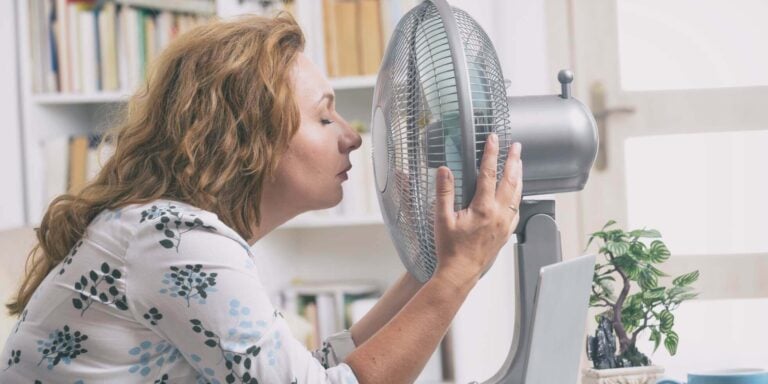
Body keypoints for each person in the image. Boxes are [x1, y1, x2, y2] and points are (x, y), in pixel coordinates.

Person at [0, 13, 522, 384]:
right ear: (250, 138)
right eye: (324, 117)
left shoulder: (164, 232)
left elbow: (309, 373)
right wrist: (457, 274)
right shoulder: (174, 240)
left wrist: (434, 268)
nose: (354, 136)